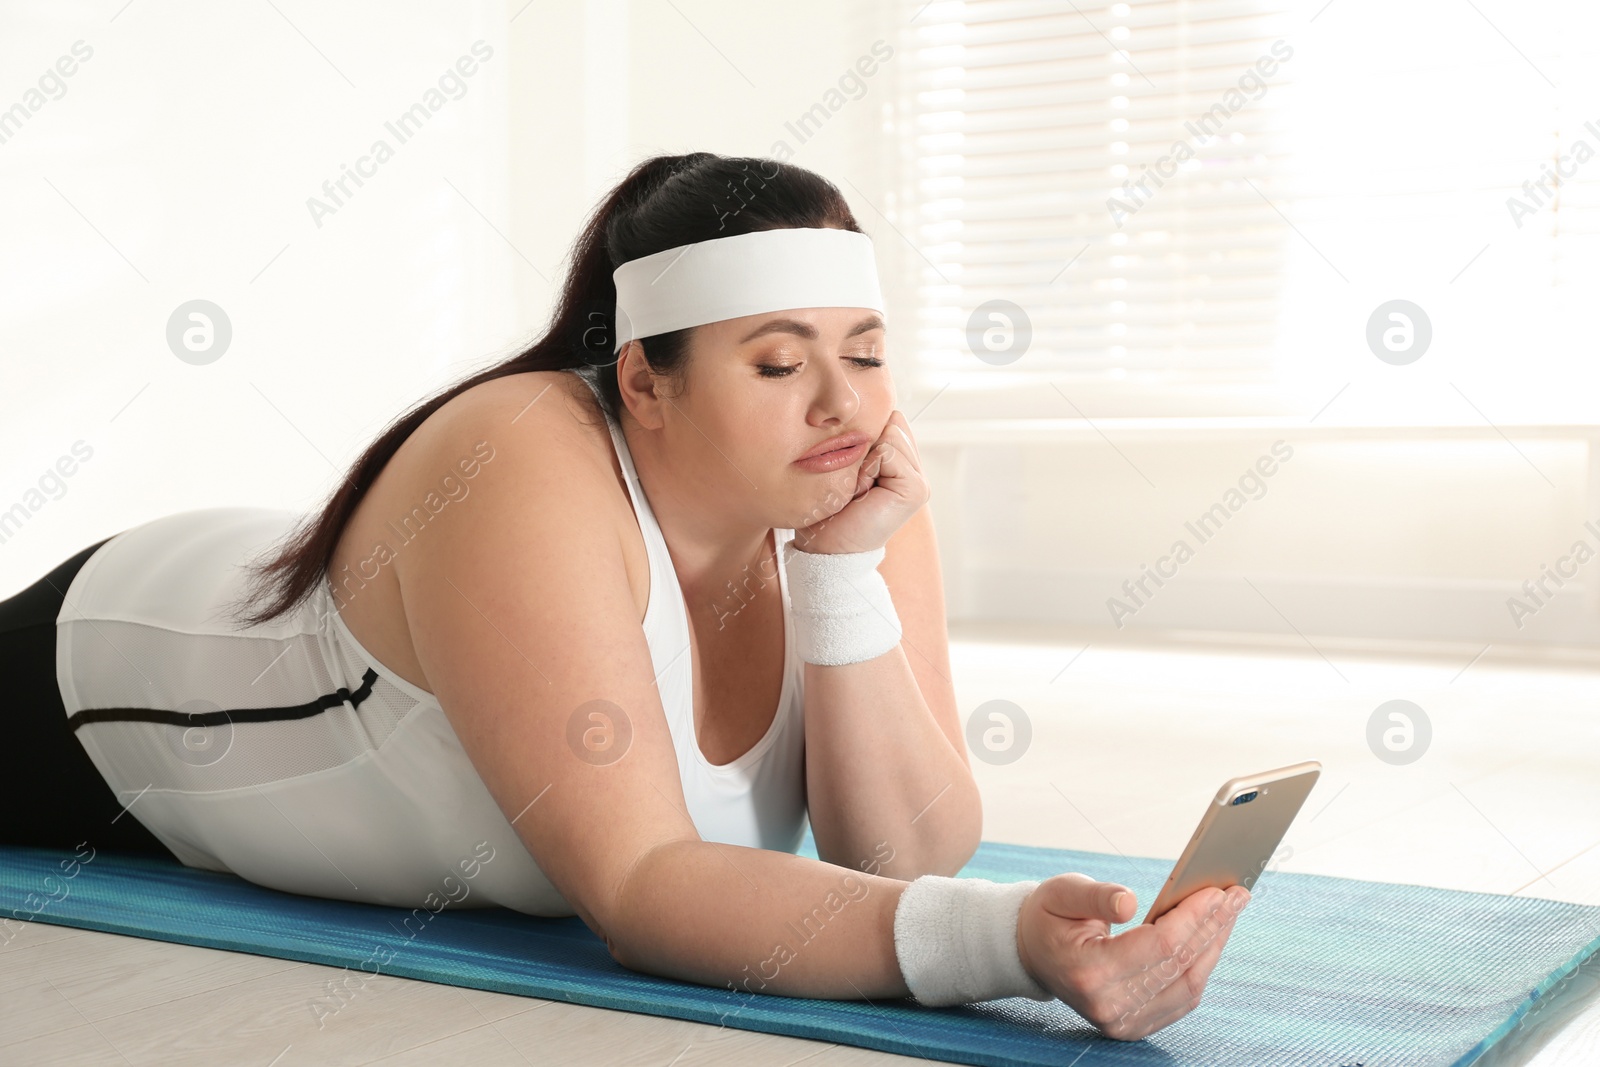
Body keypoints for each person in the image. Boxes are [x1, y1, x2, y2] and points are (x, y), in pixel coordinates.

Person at [0, 152, 1247, 1040]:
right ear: (644, 379)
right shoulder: (521, 451)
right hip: (111, 674)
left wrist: (840, 575)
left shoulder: (842, 488)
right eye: (777, 360)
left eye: (864, 352)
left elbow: (900, 852)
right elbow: (645, 890)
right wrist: (1009, 941)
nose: (844, 403)